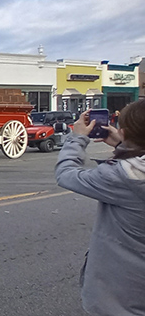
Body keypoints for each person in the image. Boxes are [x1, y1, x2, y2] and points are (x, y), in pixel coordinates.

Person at [55, 101, 145, 315]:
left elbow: (66, 175)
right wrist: (125, 145)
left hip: (125, 297)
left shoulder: (122, 176)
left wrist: (77, 138)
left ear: (123, 131)